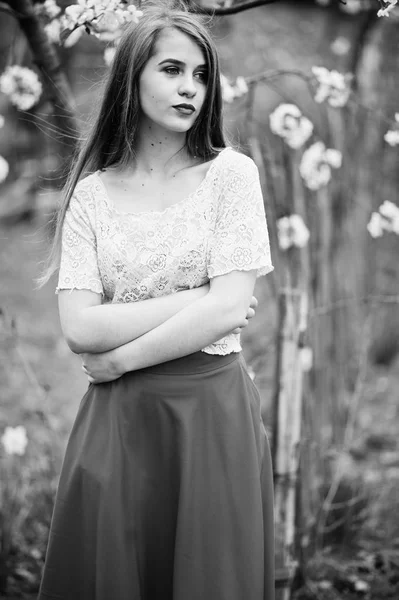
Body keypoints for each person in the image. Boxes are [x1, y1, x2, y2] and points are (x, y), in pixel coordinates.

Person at [37, 2, 275, 599]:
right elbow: (80, 329)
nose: (189, 87)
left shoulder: (232, 177)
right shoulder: (90, 197)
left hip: (210, 412)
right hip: (117, 422)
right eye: (172, 69)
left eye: (201, 75)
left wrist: (119, 361)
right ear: (133, 75)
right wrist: (196, 297)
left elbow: (226, 314)